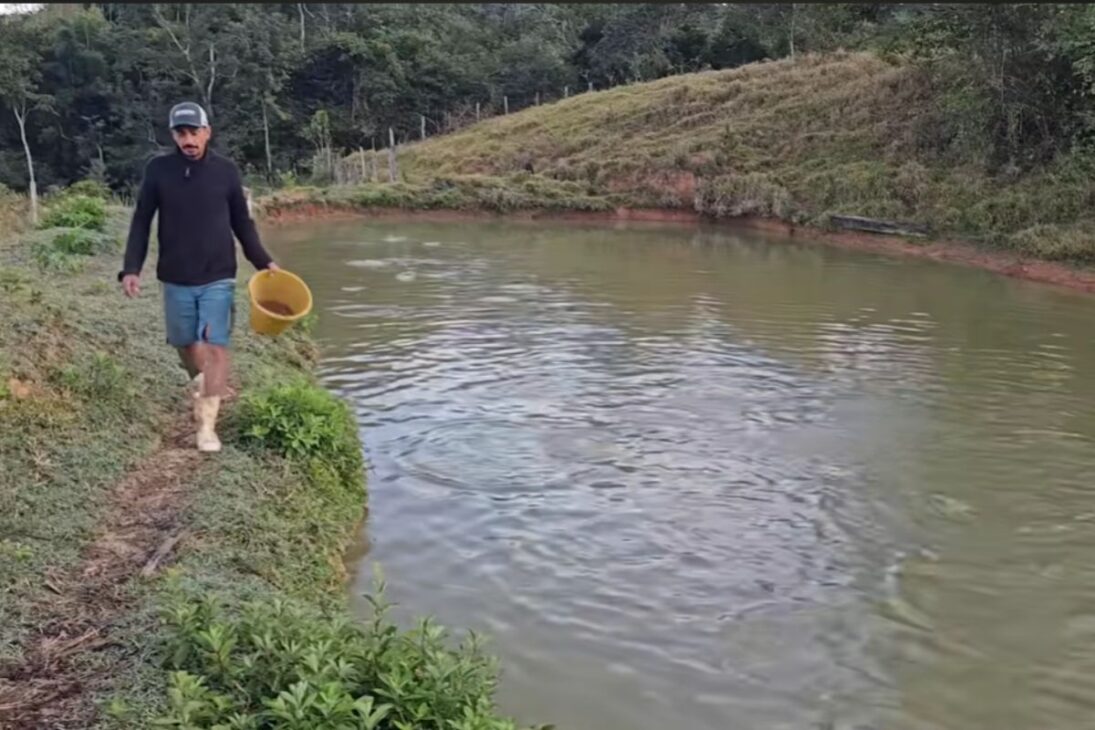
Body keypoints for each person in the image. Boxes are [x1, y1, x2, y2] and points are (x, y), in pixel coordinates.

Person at [118, 101, 279, 453]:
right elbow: (142, 221)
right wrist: (132, 268)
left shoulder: (226, 171)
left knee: (214, 345)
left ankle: (206, 428)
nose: (188, 139)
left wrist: (263, 261)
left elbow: (242, 223)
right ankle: (209, 382)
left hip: (218, 274)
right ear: (174, 136)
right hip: (175, 276)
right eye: (181, 133)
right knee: (185, 343)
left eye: (194, 132)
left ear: (207, 132)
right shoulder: (158, 170)